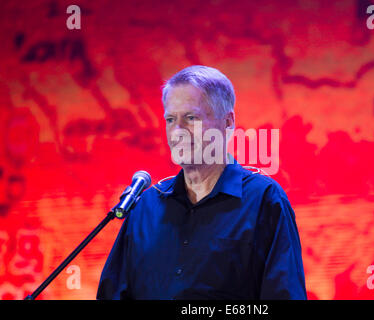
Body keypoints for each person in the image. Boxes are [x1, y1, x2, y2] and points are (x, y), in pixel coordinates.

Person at [96, 65, 307, 299]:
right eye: (170, 119)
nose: (177, 132)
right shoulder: (145, 206)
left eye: (190, 118)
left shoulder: (264, 200)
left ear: (228, 122)